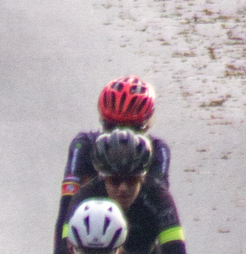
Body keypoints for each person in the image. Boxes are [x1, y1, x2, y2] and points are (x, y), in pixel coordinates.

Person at [56, 74, 173, 231]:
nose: (121, 137)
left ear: (147, 126)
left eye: (133, 129)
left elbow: (163, 209)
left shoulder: (158, 150)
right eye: (111, 127)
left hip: (141, 241)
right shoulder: (83, 146)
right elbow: (66, 209)